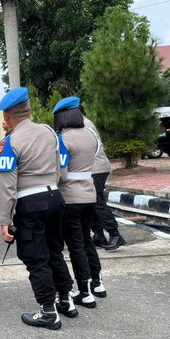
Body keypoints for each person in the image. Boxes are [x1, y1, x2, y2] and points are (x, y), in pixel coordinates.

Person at [0, 87, 74, 330]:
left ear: (7, 117)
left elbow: (8, 186)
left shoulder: (10, 142)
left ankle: (48, 312)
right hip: (54, 197)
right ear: (29, 110)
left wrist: (4, 219)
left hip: (30, 203)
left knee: (35, 258)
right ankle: (66, 299)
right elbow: (60, 169)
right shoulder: (49, 132)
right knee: (55, 252)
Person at [53, 97, 104, 307]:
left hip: (71, 197)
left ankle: (84, 291)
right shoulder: (90, 134)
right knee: (87, 240)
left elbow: (61, 174)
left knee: (75, 245)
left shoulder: (62, 139)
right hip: (89, 194)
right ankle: (97, 283)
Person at [81, 106, 126, 251]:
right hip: (91, 169)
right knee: (91, 202)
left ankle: (114, 234)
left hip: (96, 168)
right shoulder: (81, 123)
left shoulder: (84, 125)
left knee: (97, 202)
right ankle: (99, 235)